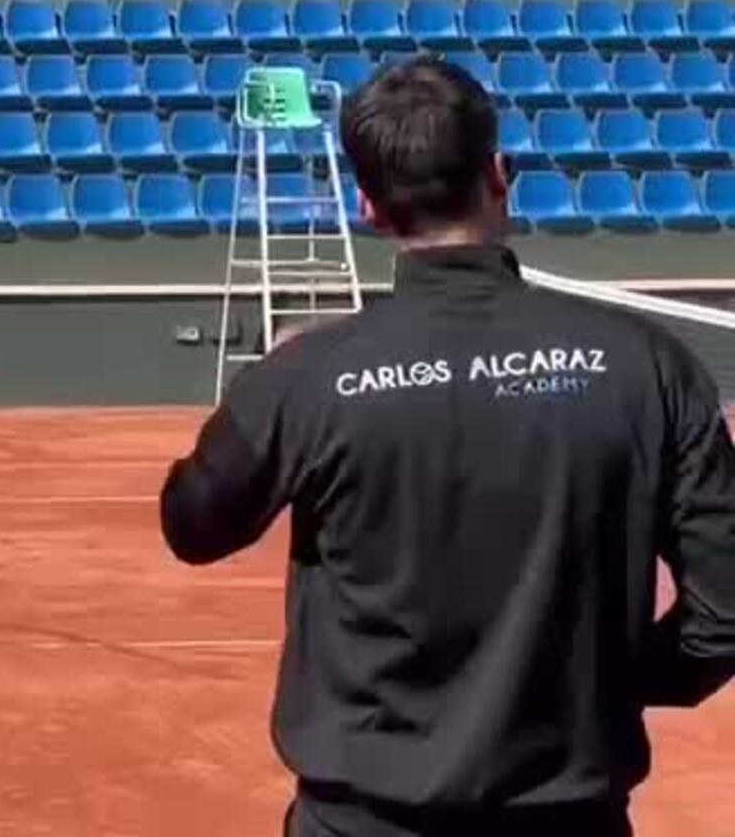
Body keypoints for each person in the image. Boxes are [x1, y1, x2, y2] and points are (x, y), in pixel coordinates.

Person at [160, 57, 735, 837]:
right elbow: (725, 610)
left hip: (360, 818)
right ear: (501, 175)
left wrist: (263, 391)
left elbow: (193, 524)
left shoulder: (309, 374)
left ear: (369, 207)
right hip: (568, 815)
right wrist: (609, 681)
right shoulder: (647, 364)